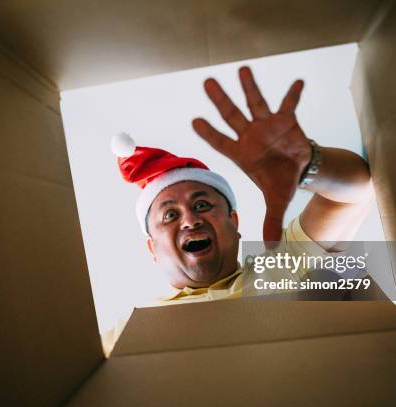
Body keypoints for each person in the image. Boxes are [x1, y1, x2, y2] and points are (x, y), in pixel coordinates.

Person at [104, 66, 373, 354]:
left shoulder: (284, 265)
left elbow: (354, 191)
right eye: (170, 215)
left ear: (234, 221)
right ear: (152, 249)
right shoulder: (126, 335)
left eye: (202, 205)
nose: (190, 220)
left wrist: (304, 165)